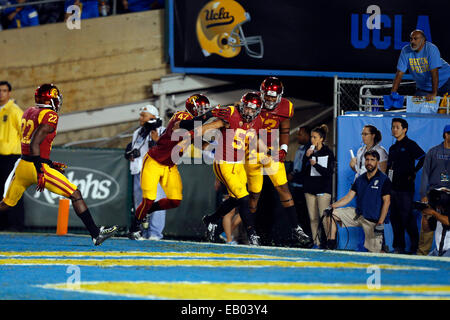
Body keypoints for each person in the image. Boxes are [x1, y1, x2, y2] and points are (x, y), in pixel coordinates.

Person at [0, 84, 118, 245]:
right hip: (36, 166)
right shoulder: (50, 115)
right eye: (55, 98)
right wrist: (41, 169)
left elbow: (29, 145)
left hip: (23, 164)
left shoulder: (29, 111)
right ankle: (96, 234)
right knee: (75, 194)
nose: (58, 101)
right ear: (50, 100)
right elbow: (35, 143)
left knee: (6, 203)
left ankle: (96, 233)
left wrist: (48, 162)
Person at [127, 94, 220, 239]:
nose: (203, 112)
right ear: (192, 108)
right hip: (154, 162)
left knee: (174, 201)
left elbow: (201, 143)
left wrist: (220, 148)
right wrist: (210, 116)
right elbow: (182, 126)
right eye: (201, 109)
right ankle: (135, 227)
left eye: (205, 110)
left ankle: (146, 211)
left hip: (170, 166)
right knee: (149, 199)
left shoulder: (196, 125)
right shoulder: (180, 116)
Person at [243, 77, 313, 248]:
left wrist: (283, 148)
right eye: (267, 96)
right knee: (254, 194)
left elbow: (285, 129)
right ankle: (251, 232)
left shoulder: (285, 107)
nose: (269, 100)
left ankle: (296, 228)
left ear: (280, 96)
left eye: (273, 97)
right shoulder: (252, 103)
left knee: (283, 188)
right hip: (252, 151)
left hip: (272, 151)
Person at [202, 92, 266, 246]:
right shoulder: (231, 113)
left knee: (236, 199)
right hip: (223, 162)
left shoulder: (258, 121)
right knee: (243, 198)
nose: (249, 112)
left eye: (253, 110)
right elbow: (213, 125)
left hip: (239, 164)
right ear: (243, 106)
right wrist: (194, 133)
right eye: (247, 108)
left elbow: (254, 139)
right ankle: (253, 235)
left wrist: (269, 152)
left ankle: (210, 219)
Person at [323, 150, 391, 253]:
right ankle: (331, 244)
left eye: (372, 160)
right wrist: (332, 206)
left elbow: (387, 202)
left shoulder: (384, 179)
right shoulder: (360, 179)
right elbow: (348, 197)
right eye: (367, 159)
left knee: (376, 252)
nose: (369, 162)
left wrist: (380, 222)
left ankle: (382, 250)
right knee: (331, 213)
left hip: (373, 221)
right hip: (358, 215)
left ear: (377, 162)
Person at [125, 104, 166, 240]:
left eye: (144, 115)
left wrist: (156, 141)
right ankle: (140, 231)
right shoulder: (137, 132)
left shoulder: (162, 131)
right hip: (139, 171)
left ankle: (155, 233)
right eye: (140, 115)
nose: (140, 118)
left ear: (153, 117)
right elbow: (134, 149)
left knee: (157, 201)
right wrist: (130, 153)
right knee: (140, 203)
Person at [387, 118, 425, 254]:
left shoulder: (410, 144)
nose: (394, 129)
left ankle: (415, 247)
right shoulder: (392, 148)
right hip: (393, 188)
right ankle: (399, 246)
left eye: (397, 127)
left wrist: (413, 171)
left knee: (407, 217)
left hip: (405, 188)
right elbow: (389, 168)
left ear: (405, 129)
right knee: (395, 218)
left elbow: (423, 157)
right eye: (393, 127)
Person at [417, 124, 450, 255]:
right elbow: (425, 173)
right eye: (449, 133)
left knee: (446, 222)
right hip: (434, 193)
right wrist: (423, 194)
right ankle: (422, 254)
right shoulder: (433, 151)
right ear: (445, 135)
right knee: (428, 220)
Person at [391, 29, 450, 101]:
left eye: (415, 39)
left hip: (446, 81)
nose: (412, 41)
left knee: (445, 110)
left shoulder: (431, 49)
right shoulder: (405, 50)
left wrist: (434, 93)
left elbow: (434, 72)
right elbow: (399, 73)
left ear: (423, 40)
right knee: (416, 107)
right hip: (424, 87)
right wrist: (393, 92)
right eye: (411, 39)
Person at [302, 124, 335, 247]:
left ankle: (328, 242)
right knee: (313, 218)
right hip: (310, 189)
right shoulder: (308, 151)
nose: (312, 140)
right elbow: (302, 170)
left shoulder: (328, 152)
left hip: (323, 189)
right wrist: (306, 157)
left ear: (321, 139)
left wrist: (315, 165)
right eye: (311, 137)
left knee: (324, 217)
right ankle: (316, 242)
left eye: (315, 137)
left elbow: (328, 173)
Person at [0, 81, 25, 231]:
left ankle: (16, 224)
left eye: (4, 91)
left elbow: (25, 133)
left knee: (12, 190)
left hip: (12, 157)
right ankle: (3, 224)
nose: (1, 93)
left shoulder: (15, 111)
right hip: (0, 157)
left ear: (9, 93)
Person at [287, 126, 312, 238]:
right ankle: (299, 236)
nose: (298, 137)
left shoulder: (310, 150)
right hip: (295, 186)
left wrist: (294, 175)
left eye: (300, 134)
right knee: (297, 213)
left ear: (307, 135)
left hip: (304, 186)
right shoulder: (299, 149)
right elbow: (295, 166)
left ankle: (308, 236)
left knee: (306, 213)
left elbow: (306, 169)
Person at [420, 187, 450, 257]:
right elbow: (426, 229)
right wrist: (425, 215)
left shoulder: (436, 213)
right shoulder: (437, 211)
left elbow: (448, 222)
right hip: (438, 251)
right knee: (422, 264)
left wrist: (433, 213)